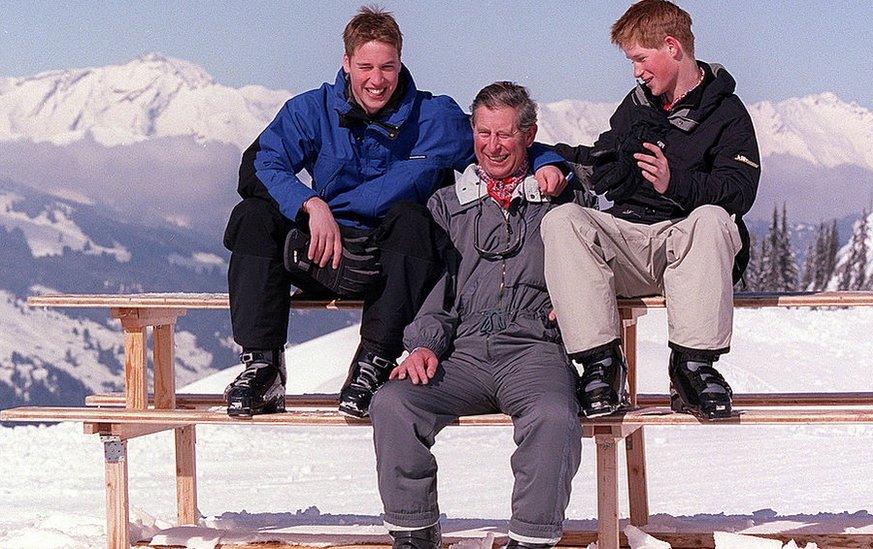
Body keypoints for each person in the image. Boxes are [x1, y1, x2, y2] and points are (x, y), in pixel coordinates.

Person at [222, 6, 566, 417]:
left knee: (413, 219)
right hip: (322, 250)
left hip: (394, 270)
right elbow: (259, 164)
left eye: (387, 67)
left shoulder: (433, 118)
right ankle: (263, 367)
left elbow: (497, 146)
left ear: (400, 64)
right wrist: (310, 204)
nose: (376, 79)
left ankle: (373, 363)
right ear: (346, 63)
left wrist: (549, 163)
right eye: (365, 66)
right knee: (252, 218)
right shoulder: (311, 111)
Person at [369, 82, 591, 549]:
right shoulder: (448, 204)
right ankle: (413, 534)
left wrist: (573, 305)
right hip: (462, 352)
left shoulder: (561, 200)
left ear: (529, 135)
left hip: (532, 348)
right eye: (483, 133)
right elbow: (434, 289)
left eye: (506, 135)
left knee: (554, 416)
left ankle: (531, 540)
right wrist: (424, 343)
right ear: (472, 132)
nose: (493, 146)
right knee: (393, 403)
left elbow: (596, 261)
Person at [541, 0, 761, 420]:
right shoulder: (636, 106)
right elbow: (602, 156)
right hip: (630, 242)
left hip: (688, 249)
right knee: (563, 220)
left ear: (672, 47)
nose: (636, 71)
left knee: (714, 217)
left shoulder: (728, 114)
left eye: (641, 59)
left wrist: (673, 182)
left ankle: (694, 368)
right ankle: (600, 366)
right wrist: (548, 159)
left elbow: (740, 191)